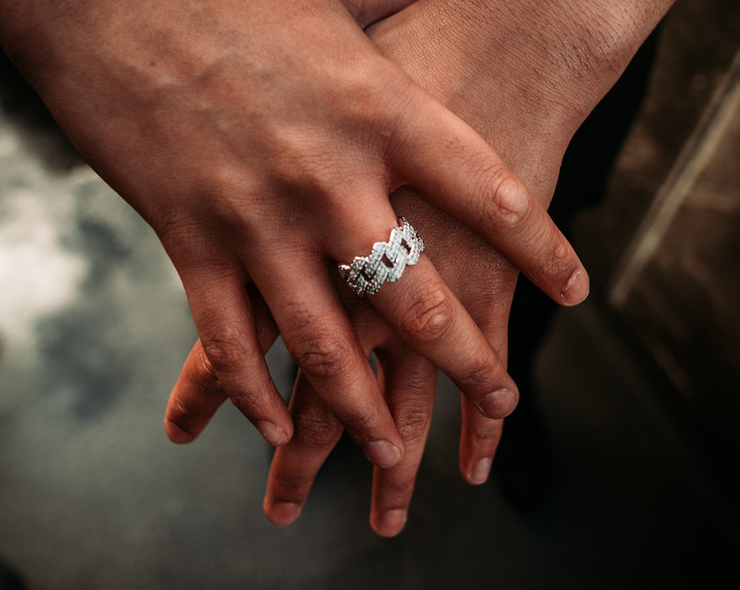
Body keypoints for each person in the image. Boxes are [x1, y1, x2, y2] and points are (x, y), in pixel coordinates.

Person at [0, 0, 674, 539]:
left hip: (572, 68)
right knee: (299, 273)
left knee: (525, 269)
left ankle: (510, 379)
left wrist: (553, 27)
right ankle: (329, 375)